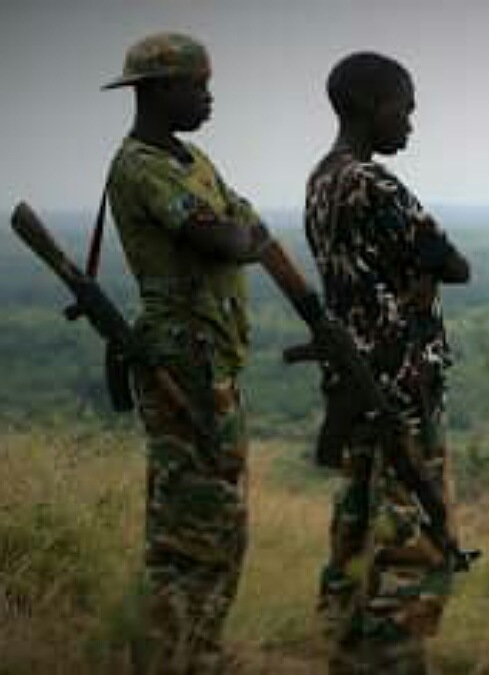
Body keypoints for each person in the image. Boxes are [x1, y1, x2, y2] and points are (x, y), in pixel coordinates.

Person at [103, 32, 271, 674]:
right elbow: (224, 236)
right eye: (196, 85)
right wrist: (236, 234)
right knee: (191, 520)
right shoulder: (138, 165)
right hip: (183, 364)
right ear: (157, 89)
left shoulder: (191, 157)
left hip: (215, 362)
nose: (207, 98)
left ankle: (194, 647)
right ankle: (178, 652)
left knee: (220, 516)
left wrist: (238, 232)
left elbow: (244, 222)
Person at [304, 52, 470, 674]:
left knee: (353, 531)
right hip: (401, 386)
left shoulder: (320, 181)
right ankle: (393, 660)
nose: (411, 121)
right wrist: (425, 275)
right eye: (404, 107)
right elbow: (454, 263)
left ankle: (343, 653)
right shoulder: (374, 183)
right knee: (414, 541)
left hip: (354, 386)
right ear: (370, 106)